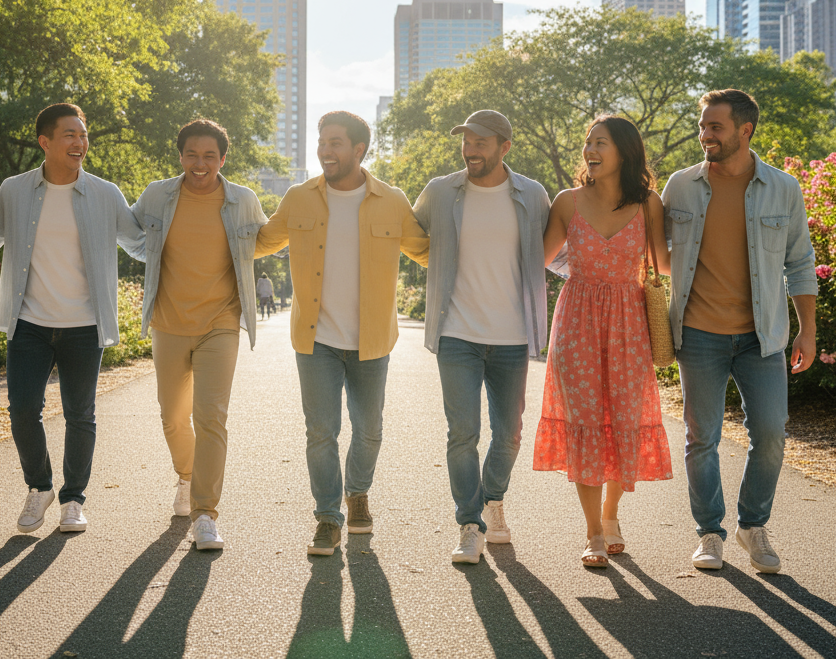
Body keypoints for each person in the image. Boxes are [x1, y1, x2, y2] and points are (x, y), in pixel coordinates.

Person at [256, 111, 429, 557]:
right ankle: (328, 517)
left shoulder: (391, 200)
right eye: (321, 141)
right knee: (321, 431)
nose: (324, 150)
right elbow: (258, 242)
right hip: (317, 340)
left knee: (369, 430)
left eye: (334, 142)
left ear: (358, 150)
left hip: (372, 340)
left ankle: (358, 492)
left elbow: (429, 252)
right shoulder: (299, 198)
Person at [663, 89, 817, 574]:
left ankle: (753, 525)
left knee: (771, 434)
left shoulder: (783, 188)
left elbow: (800, 263)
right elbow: (649, 247)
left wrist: (807, 330)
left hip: (762, 336)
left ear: (744, 130)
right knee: (700, 438)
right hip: (699, 334)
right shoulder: (681, 186)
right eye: (703, 125)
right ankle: (710, 533)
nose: (705, 134)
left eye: (715, 127)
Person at [0, 103, 139, 537]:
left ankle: (74, 499)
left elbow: (140, 244)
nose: (80, 143)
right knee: (22, 411)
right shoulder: (14, 191)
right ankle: (39, 488)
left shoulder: (105, 193)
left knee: (80, 413)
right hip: (29, 322)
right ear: (45, 142)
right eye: (70, 135)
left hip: (84, 324)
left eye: (83, 135)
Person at [533, 115, 674, 567]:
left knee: (623, 419)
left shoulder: (649, 203)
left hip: (629, 324)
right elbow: (540, 259)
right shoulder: (567, 202)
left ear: (625, 152)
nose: (591, 150)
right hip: (575, 323)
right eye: (588, 142)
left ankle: (612, 516)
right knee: (586, 421)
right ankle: (593, 532)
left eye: (601, 142)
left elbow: (668, 264)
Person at [412, 110, 551, 565]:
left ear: (504, 146)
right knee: (463, 432)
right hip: (457, 333)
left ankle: (494, 498)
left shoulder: (532, 194)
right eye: (467, 141)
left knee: (509, 434)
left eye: (481, 141)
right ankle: (469, 523)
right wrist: (439, 272)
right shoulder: (439, 191)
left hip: (512, 337)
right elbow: (411, 237)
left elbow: (553, 252)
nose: (471, 148)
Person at [125, 119, 267, 550]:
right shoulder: (157, 195)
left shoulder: (242, 200)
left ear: (223, 159)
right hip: (168, 323)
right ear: (181, 155)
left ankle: (206, 513)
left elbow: (260, 241)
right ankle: (187, 476)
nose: (200, 163)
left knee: (211, 416)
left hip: (220, 323)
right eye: (192, 154)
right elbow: (132, 236)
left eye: (210, 156)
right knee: (172, 415)